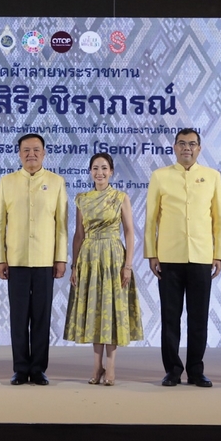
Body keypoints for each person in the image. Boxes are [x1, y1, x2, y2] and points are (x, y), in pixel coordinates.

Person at [144, 128, 221, 387]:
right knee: (170, 317)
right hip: (169, 256)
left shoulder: (212, 176)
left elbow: (219, 220)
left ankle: (196, 370)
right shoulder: (160, 176)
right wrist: (151, 253)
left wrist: (219, 254)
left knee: (198, 317)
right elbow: (151, 219)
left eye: (191, 144)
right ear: (174, 147)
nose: (186, 148)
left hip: (202, 256)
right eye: (182, 143)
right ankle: (172, 370)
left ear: (199, 148)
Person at [0, 133, 68, 385]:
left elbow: (62, 225)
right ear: (19, 153)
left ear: (44, 153)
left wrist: (61, 258)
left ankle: (38, 369)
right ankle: (20, 368)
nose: (31, 154)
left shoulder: (56, 182)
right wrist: (0, 258)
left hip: (46, 260)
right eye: (26, 150)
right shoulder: (7, 182)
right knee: (18, 317)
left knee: (41, 316)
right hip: (16, 259)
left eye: (36, 149)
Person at [64, 153, 143, 386]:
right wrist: (74, 266)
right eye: (95, 168)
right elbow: (79, 235)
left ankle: (111, 365)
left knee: (112, 310)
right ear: (90, 172)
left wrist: (128, 265)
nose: (100, 172)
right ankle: (96, 366)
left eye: (104, 168)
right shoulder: (82, 199)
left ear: (111, 172)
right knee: (95, 310)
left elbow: (129, 232)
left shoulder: (120, 197)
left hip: (113, 258)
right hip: (89, 258)